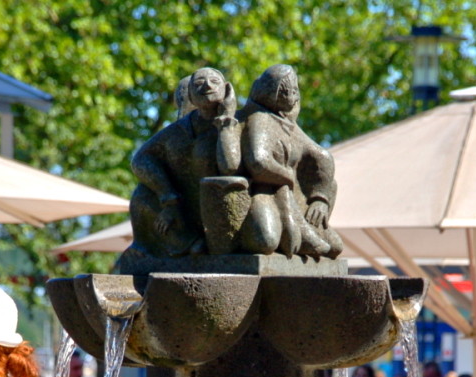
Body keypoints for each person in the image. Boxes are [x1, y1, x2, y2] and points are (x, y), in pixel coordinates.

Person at [125, 67, 239, 258]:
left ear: (226, 89)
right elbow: (140, 160)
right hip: (183, 205)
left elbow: (230, 166)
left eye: (214, 82)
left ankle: (193, 243)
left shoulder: (237, 123)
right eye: (198, 84)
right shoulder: (179, 130)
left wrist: (226, 119)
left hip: (220, 207)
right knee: (142, 194)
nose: (207, 86)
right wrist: (169, 198)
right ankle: (183, 242)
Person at [235, 64, 339, 258]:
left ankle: (306, 232)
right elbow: (258, 162)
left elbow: (321, 156)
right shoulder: (259, 118)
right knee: (265, 240)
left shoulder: (285, 121)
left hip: (295, 197)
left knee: (335, 247)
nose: (294, 97)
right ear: (272, 95)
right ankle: (299, 234)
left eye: (294, 91)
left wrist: (320, 199)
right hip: (261, 192)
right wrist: (287, 175)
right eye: (286, 92)